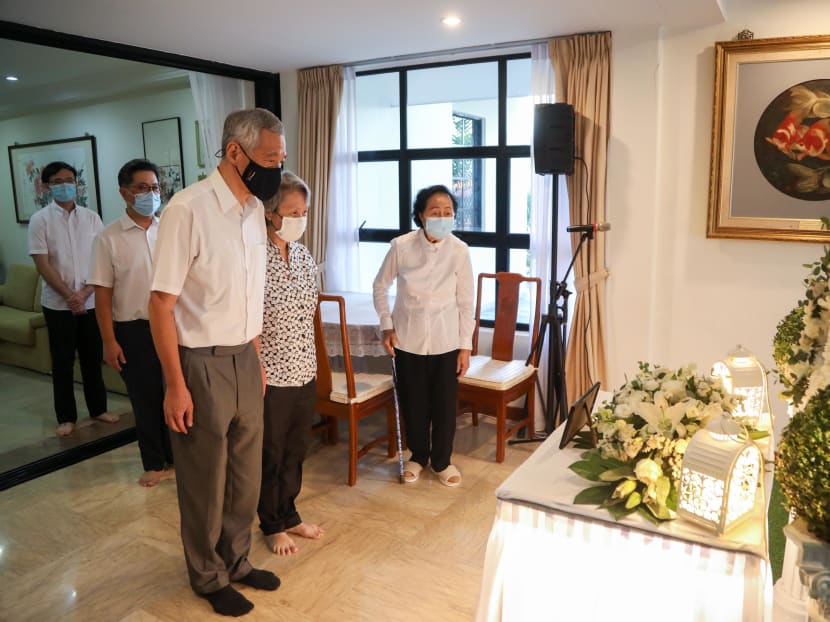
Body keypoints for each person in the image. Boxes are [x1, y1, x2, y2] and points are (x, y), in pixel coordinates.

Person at [149, 108, 285, 617]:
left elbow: (246, 293)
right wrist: (174, 385)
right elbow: (160, 304)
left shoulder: (253, 209)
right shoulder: (188, 209)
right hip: (200, 363)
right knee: (206, 477)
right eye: (270, 158)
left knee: (246, 473)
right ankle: (207, 576)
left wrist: (254, 355)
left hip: (245, 358)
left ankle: (238, 559)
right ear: (235, 152)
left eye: (281, 158)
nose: (276, 167)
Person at [373, 185, 474, 487]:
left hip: (447, 340)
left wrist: (465, 347)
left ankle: (442, 461)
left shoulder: (459, 250)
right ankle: (418, 457)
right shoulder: (401, 246)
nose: (443, 217)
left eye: (448, 213)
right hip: (408, 338)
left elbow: (467, 301)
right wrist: (387, 325)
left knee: (444, 405)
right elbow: (380, 286)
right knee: (414, 401)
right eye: (435, 212)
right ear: (421, 215)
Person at [88, 159, 174, 487]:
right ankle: (154, 462)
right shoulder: (108, 238)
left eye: (155, 188)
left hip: (172, 325)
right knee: (146, 399)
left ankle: (176, 454)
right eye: (142, 188)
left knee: (176, 391)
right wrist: (109, 341)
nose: (151, 194)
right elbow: (103, 293)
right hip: (134, 330)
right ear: (125, 193)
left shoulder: (168, 228)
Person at [257, 171, 324, 555]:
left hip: (304, 368)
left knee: (298, 449)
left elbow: (308, 310)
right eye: (292, 211)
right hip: (270, 372)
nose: (300, 217)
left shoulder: (302, 253)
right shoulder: (255, 255)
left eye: (304, 210)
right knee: (271, 451)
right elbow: (248, 318)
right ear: (270, 213)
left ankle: (290, 514)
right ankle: (270, 522)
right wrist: (256, 366)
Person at [28, 161, 119, 437]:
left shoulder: (92, 218)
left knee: (92, 359)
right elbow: (42, 264)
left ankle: (98, 409)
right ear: (46, 186)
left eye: (70, 180)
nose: (65, 185)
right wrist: (70, 296)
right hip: (58, 304)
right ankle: (66, 416)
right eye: (58, 181)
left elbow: (102, 260)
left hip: (90, 301)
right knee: (63, 360)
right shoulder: (40, 220)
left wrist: (84, 294)